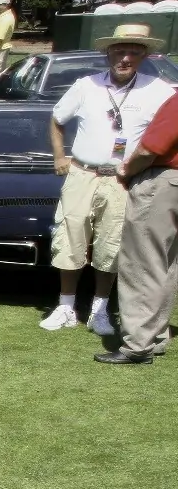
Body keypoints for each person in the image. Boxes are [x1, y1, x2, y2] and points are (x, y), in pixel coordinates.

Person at [43, 23, 176, 336]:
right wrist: (59, 157)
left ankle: (100, 310)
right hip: (82, 173)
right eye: (119, 51)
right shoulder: (86, 85)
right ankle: (65, 306)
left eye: (134, 52)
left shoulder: (160, 91)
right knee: (69, 237)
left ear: (145, 55)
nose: (125, 58)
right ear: (108, 53)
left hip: (124, 179)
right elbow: (57, 119)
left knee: (112, 244)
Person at [101, 84, 178, 363]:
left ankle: (137, 345)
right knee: (166, 265)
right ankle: (153, 337)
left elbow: (150, 149)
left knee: (142, 264)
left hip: (164, 181)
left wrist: (126, 169)